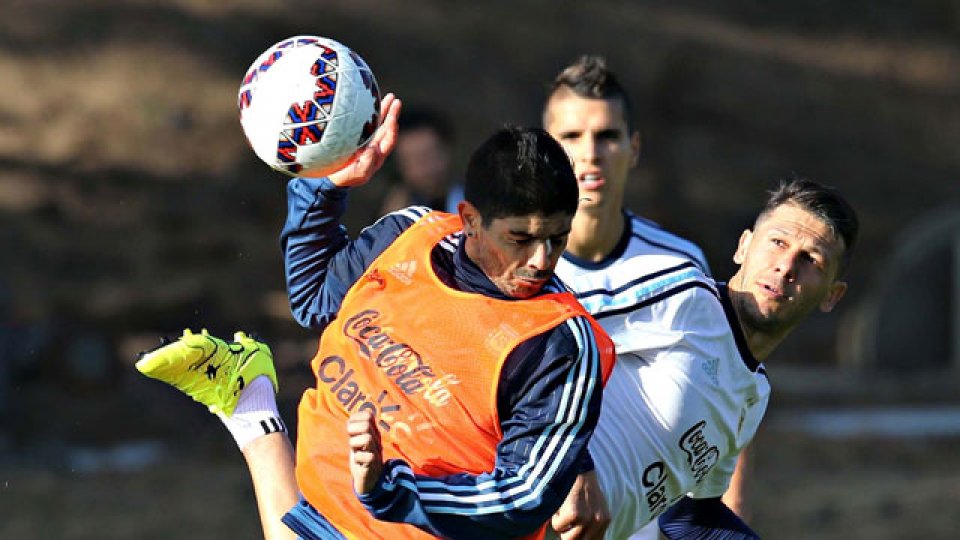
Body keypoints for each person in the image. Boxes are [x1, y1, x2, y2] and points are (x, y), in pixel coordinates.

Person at [138, 93, 616, 540]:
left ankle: (251, 407)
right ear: (470, 218)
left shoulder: (557, 341)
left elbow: (525, 495)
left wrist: (394, 491)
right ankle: (251, 405)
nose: (540, 259)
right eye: (520, 238)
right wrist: (324, 186)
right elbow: (315, 301)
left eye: (556, 238)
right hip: (328, 501)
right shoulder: (408, 235)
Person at [553, 175, 858, 539]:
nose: (787, 266)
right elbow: (540, 338)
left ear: (832, 296)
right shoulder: (687, 300)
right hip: (508, 514)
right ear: (743, 247)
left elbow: (688, 515)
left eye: (812, 260)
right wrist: (576, 467)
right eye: (777, 243)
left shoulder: (754, 395)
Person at [539, 55, 714, 540]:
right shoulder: (506, 266)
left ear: (633, 149)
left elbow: (727, 395)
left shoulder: (679, 268)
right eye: (570, 138)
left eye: (607, 136)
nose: (590, 153)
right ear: (546, 152)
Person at [378, 106, 464, 216]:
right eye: (414, 160)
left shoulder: (477, 199)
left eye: (431, 156)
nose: (426, 168)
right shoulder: (394, 212)